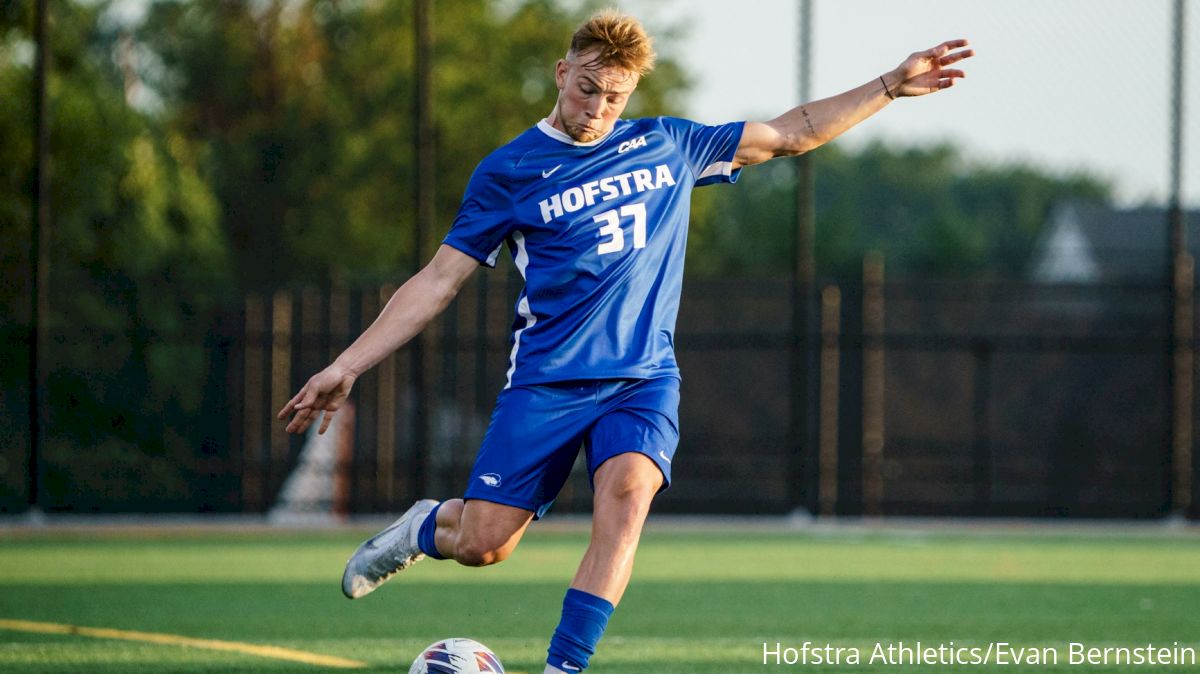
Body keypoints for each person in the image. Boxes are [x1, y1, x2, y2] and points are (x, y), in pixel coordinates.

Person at [277, 10, 972, 673]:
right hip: (547, 383)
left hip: (642, 378)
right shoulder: (509, 171)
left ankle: (563, 666)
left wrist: (889, 85)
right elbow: (436, 282)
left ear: (632, 92)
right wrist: (347, 364)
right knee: (485, 544)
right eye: (586, 89)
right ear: (560, 72)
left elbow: (792, 132)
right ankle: (424, 529)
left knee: (628, 496)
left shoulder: (669, 145)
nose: (596, 110)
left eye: (613, 97)